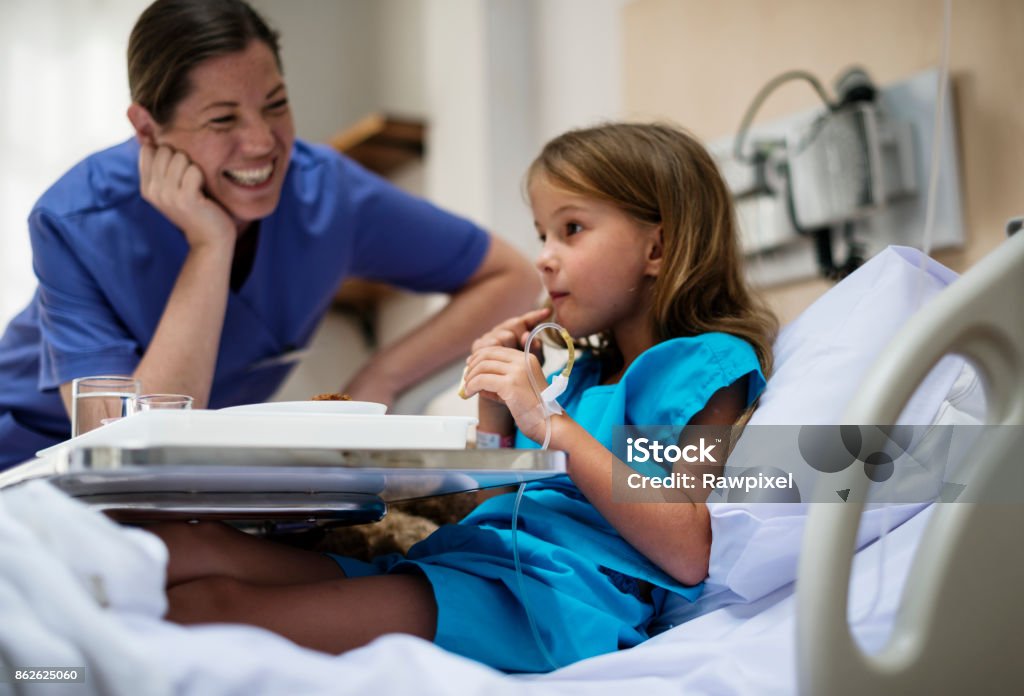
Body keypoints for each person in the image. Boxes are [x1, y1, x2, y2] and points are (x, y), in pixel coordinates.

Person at [150, 122, 778, 673]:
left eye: (572, 229)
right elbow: (505, 508)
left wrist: (549, 420)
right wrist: (498, 416)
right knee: (184, 546)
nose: (545, 260)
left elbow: (690, 548)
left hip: (553, 602)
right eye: (541, 234)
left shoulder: (709, 366)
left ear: (658, 248)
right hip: (480, 564)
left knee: (212, 608)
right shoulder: (578, 373)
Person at [0, 0, 538, 470]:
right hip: (28, 457)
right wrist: (211, 246)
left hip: (183, 475)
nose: (262, 142)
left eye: (276, 105)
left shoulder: (326, 192)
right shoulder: (75, 221)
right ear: (147, 130)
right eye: (222, 120)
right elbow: (122, 453)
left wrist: (380, 379)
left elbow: (509, 276)